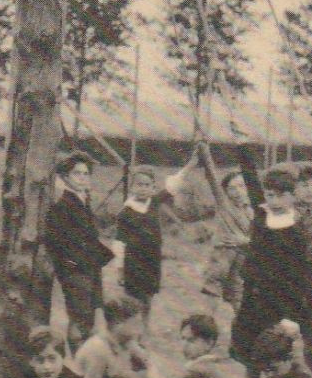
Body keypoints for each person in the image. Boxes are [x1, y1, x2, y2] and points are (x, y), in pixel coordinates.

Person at [230, 135, 312, 378]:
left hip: (290, 290)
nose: (271, 199)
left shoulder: (299, 224)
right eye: (269, 195)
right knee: (255, 342)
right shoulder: (264, 214)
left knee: (289, 340)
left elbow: (302, 264)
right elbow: (252, 181)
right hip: (260, 290)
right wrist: (242, 145)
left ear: (291, 195)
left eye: (278, 194)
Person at [112, 157, 193, 331]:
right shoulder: (126, 212)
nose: (142, 188)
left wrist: (190, 165)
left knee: (148, 297)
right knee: (132, 298)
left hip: (151, 260)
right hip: (132, 262)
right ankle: (128, 328)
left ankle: (145, 327)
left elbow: (173, 185)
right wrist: (119, 269)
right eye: (139, 185)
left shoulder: (155, 202)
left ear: (153, 188)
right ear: (132, 187)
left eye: (147, 185)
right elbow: (119, 242)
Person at [42, 152, 113, 344]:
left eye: (86, 173)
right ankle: (76, 359)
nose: (82, 178)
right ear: (65, 177)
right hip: (76, 271)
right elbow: (57, 241)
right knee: (80, 318)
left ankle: (80, 357)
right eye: (77, 173)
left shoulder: (83, 201)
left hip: (90, 267)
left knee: (91, 315)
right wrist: (71, 265)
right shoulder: (63, 205)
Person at [195, 140, 252, 318]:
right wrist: (205, 153)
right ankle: (205, 327)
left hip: (241, 257)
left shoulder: (253, 210)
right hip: (221, 256)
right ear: (226, 192)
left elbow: (261, 237)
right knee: (212, 291)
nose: (237, 191)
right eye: (232, 188)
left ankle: (243, 336)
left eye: (241, 186)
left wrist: (244, 241)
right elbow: (212, 175)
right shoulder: (224, 204)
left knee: (238, 296)